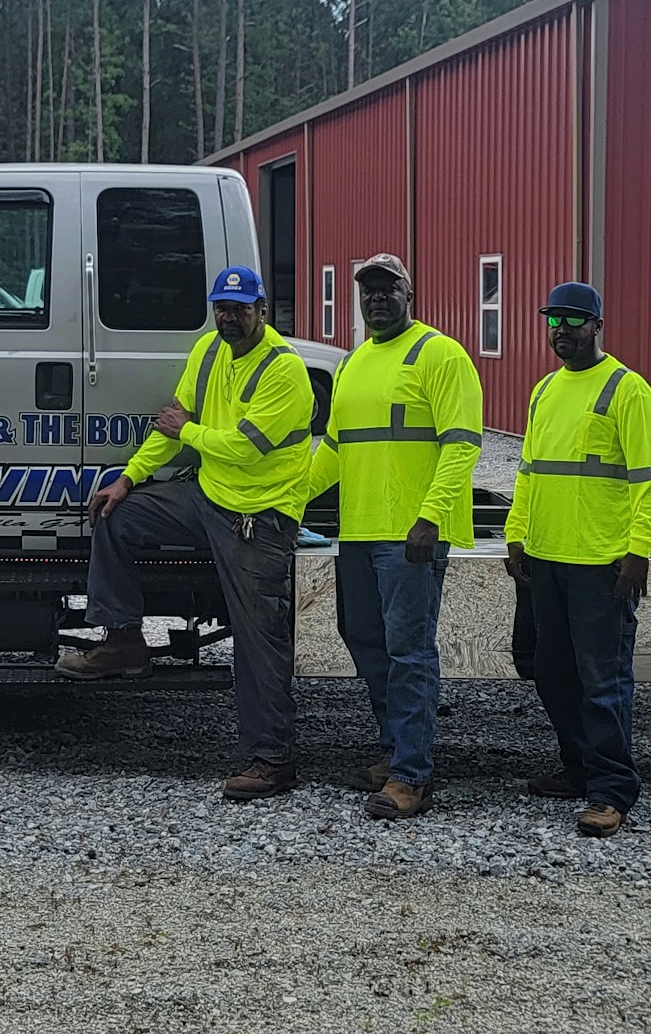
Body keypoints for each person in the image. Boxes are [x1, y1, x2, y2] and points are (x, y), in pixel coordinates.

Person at [56, 265, 314, 802]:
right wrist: (126, 480)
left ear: (262, 311)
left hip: (258, 514)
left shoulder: (284, 370)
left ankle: (272, 760)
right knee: (116, 517)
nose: (230, 316)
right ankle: (124, 641)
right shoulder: (207, 352)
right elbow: (169, 430)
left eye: (241, 308)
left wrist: (187, 430)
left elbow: (244, 448)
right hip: (208, 494)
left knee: (257, 639)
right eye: (223, 306)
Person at [305, 254, 482, 820]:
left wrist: (431, 515)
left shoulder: (440, 355)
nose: (377, 298)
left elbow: (461, 444)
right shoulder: (355, 363)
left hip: (411, 535)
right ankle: (395, 749)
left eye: (388, 288)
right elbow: (334, 449)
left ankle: (412, 775)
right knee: (364, 639)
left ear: (411, 292)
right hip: (359, 530)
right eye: (369, 290)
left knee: (409, 652)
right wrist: (289, 500)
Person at [504, 282, 651, 838]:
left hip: (600, 562)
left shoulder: (627, 390)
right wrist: (516, 533)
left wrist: (638, 550)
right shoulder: (546, 390)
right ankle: (578, 768)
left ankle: (611, 789)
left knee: (603, 680)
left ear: (597, 325)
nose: (563, 331)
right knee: (550, 673)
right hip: (547, 556)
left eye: (574, 321)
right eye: (555, 321)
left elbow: (649, 479)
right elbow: (529, 469)